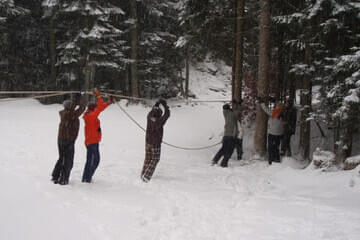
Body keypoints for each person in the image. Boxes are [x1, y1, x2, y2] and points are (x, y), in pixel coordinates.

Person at [51, 93, 87, 185]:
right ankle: (63, 179)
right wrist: (81, 98)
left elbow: (78, 108)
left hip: (62, 139)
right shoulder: (69, 115)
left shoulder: (66, 113)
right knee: (68, 161)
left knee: (62, 158)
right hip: (67, 140)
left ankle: (55, 176)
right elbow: (82, 108)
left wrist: (78, 99)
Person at [82, 90, 113, 183]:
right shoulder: (91, 116)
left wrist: (109, 102)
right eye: (95, 108)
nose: (96, 109)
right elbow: (99, 108)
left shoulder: (91, 114)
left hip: (93, 141)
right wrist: (98, 96)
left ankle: (86, 177)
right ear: (92, 109)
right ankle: (87, 178)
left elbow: (101, 108)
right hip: (91, 142)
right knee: (94, 161)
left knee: (91, 161)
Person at [141, 99, 170, 182]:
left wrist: (157, 104)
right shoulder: (159, 121)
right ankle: (146, 177)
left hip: (148, 141)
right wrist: (165, 106)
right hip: (155, 143)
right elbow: (167, 115)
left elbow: (155, 111)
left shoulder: (149, 116)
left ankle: (143, 174)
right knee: (155, 159)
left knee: (148, 158)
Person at [212, 101, 241, 167]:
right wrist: (238, 104)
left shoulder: (225, 114)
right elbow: (238, 111)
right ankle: (224, 163)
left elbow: (234, 112)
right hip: (231, 136)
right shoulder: (232, 114)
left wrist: (233, 107)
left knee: (223, 149)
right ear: (229, 109)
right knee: (229, 150)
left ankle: (215, 160)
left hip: (226, 135)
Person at [259, 99, 285, 165]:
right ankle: (277, 160)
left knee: (271, 148)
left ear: (278, 107)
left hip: (273, 133)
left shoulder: (275, 112)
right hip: (280, 133)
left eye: (276, 105)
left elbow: (266, 110)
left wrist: (262, 103)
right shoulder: (283, 112)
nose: (275, 106)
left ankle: (271, 161)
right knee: (276, 147)